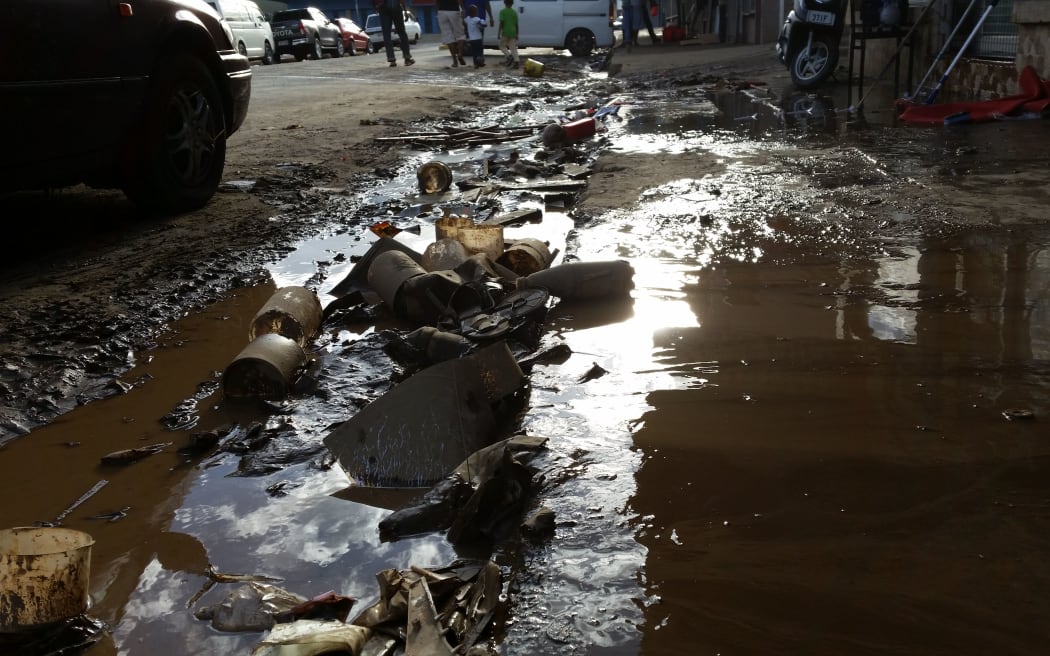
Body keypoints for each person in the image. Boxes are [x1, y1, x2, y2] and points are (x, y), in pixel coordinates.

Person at [374, 0, 415, 67]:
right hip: (395, 6)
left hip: (383, 8)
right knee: (402, 33)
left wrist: (376, 7)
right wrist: (405, 11)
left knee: (386, 34)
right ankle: (407, 58)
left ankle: (392, 59)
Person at [437, 0, 467, 67]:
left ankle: (455, 61)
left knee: (448, 38)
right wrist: (463, 9)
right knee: (461, 35)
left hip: (441, 12)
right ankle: (460, 53)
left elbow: (436, 2)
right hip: (454, 11)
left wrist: (439, 12)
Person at [497, 0, 519, 68]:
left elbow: (501, 23)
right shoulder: (514, 12)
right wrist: (517, 33)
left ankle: (509, 56)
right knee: (513, 48)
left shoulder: (502, 11)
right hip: (513, 32)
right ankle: (516, 62)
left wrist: (499, 33)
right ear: (512, 3)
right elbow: (516, 24)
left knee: (502, 46)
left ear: (504, 3)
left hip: (506, 32)